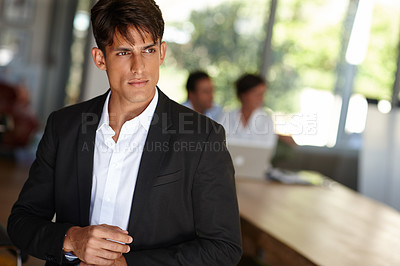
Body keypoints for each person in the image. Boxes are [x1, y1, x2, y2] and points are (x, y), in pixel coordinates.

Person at [7, 0, 242, 265]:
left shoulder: (202, 137)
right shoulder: (64, 126)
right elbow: (21, 222)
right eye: (123, 52)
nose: (138, 67)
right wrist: (73, 239)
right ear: (100, 59)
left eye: (148, 50)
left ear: (162, 53)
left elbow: (223, 248)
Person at [219, 73, 278, 149]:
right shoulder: (226, 117)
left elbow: (268, 151)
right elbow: (218, 144)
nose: (261, 99)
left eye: (262, 94)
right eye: (256, 94)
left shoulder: (267, 121)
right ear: (243, 95)